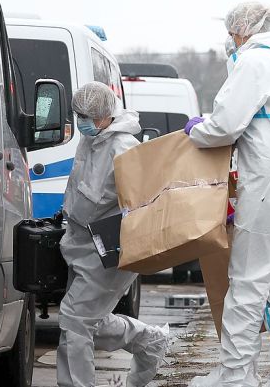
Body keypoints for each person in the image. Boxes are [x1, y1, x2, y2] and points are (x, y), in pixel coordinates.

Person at [186, 2, 270, 387]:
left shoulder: (254, 64)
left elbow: (226, 126)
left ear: (240, 32)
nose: (230, 42)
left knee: (247, 282)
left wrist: (197, 129)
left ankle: (235, 375)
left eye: (231, 34)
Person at [57, 82, 170, 387]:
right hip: (81, 243)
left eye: (88, 116)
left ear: (106, 115)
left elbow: (145, 202)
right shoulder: (90, 141)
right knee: (87, 319)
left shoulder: (123, 148)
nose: (82, 121)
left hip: (108, 246)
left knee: (74, 318)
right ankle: (150, 341)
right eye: (78, 114)